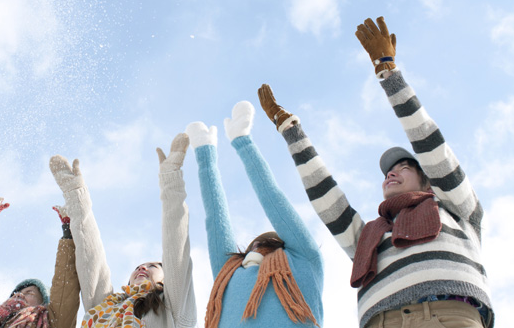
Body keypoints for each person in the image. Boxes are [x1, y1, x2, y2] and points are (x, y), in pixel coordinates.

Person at [258, 16, 494, 328]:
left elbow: (429, 143)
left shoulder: (454, 206)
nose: (391, 173)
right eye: (388, 171)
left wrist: (389, 73)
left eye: (405, 167)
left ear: (429, 182)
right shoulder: (370, 237)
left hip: (446, 317)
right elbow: (326, 199)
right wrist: (291, 132)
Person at [186, 101, 323, 328]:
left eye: (266, 243)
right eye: (253, 245)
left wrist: (243, 142)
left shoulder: (303, 259)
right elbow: (216, 221)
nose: (256, 246)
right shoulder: (229, 271)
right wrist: (205, 154)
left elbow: (274, 201)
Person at [50, 133, 197, 328]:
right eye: (139, 266)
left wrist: (171, 180)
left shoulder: (172, 307)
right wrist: (76, 197)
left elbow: (176, 249)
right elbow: (92, 262)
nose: (142, 267)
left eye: (153, 266)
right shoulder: (106, 308)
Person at [0, 195, 80, 328]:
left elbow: (65, 288)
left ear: (44, 303)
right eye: (17, 293)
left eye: (30, 293)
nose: (19, 294)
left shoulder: (51, 323)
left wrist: (69, 232)